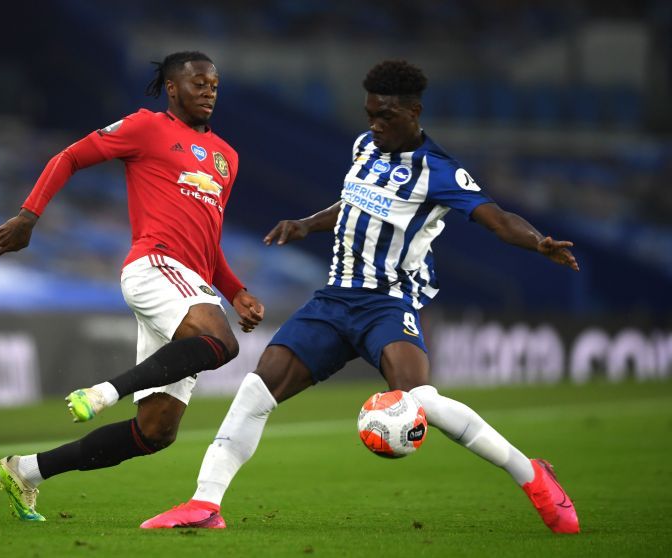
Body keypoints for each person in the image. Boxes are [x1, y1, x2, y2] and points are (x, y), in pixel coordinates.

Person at [140, 59, 580, 534]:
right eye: (369, 114)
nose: (374, 125)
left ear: (413, 113)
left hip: (387, 304)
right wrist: (308, 223)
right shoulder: (364, 147)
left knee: (421, 401)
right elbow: (353, 201)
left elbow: (497, 217)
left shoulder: (437, 171)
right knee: (255, 391)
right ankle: (205, 504)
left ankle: (533, 475)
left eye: (385, 117)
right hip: (332, 302)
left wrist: (538, 242)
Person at [0, 51, 265, 521]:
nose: (209, 91)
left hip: (190, 284)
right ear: (172, 88)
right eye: (198, 83)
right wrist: (29, 216)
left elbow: (208, 244)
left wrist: (235, 291)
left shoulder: (226, 158)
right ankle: (107, 391)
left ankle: (25, 471)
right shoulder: (146, 127)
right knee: (221, 342)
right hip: (154, 267)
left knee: (155, 433)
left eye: (214, 84)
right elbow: (70, 156)